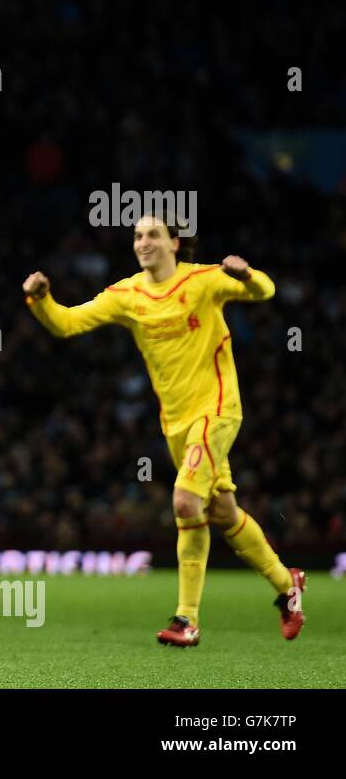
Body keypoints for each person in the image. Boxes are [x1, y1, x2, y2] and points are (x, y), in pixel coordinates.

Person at [24, 216, 305, 647]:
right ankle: (287, 586)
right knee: (224, 512)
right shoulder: (126, 294)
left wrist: (246, 274)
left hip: (217, 410)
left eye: (153, 234)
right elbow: (66, 323)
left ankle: (186, 619)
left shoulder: (205, 281)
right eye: (137, 236)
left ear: (175, 243)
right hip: (176, 424)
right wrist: (42, 299)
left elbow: (264, 291)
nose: (143, 242)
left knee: (185, 501)